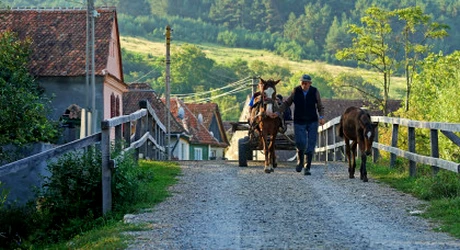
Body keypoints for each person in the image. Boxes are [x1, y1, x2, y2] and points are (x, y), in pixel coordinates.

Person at [274, 74, 325, 175]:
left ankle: (307, 167)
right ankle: (300, 161)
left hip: (312, 121)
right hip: (299, 121)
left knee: (311, 144)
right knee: (301, 142)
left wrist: (321, 117)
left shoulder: (315, 91)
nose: (304, 84)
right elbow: (287, 103)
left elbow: (320, 106)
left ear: (310, 84)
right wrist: (278, 112)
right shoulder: (296, 91)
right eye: (302, 82)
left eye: (306, 83)